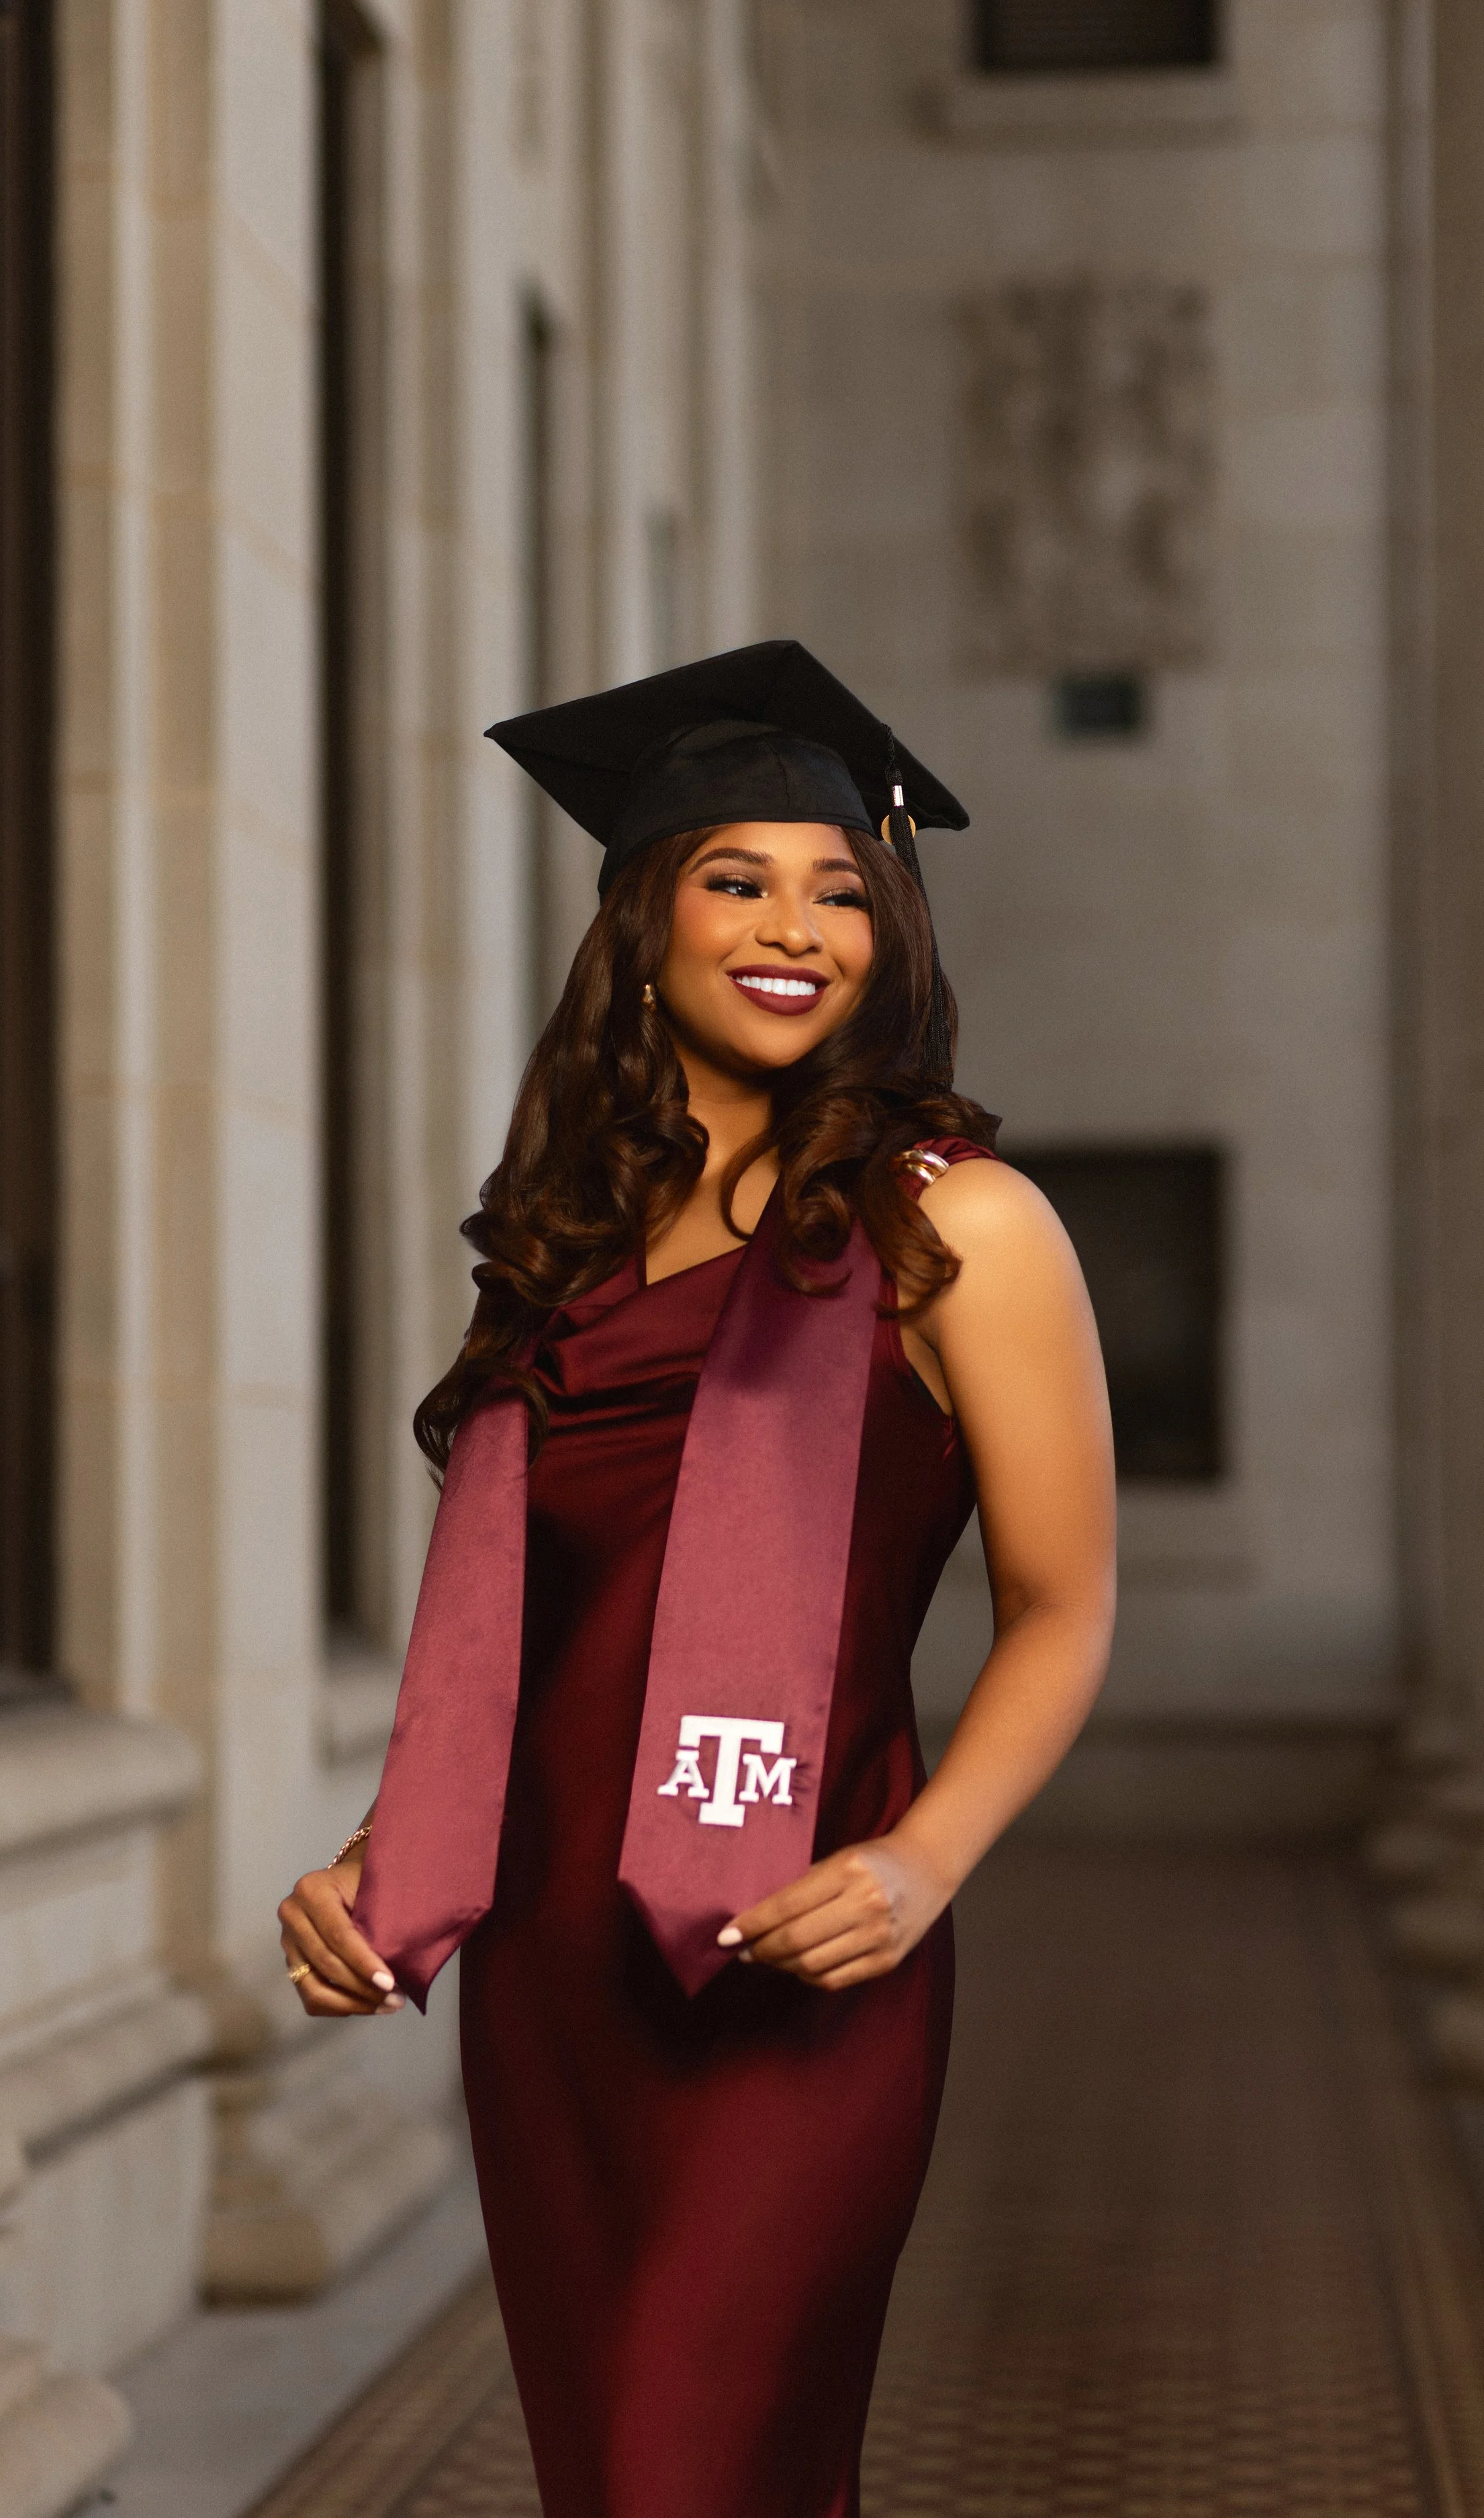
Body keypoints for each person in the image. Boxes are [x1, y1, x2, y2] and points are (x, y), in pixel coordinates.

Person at [278, 641, 1115, 2518]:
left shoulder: (952, 1222)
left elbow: (1062, 1603)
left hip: (798, 1960)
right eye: (737, 876)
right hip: (555, 1988)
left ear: (889, 940)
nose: (792, 927)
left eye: (842, 891)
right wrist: (379, 1867)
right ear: (640, 917)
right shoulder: (565, 1256)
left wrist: (923, 1858)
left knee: (683, 2465)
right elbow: (523, 1641)